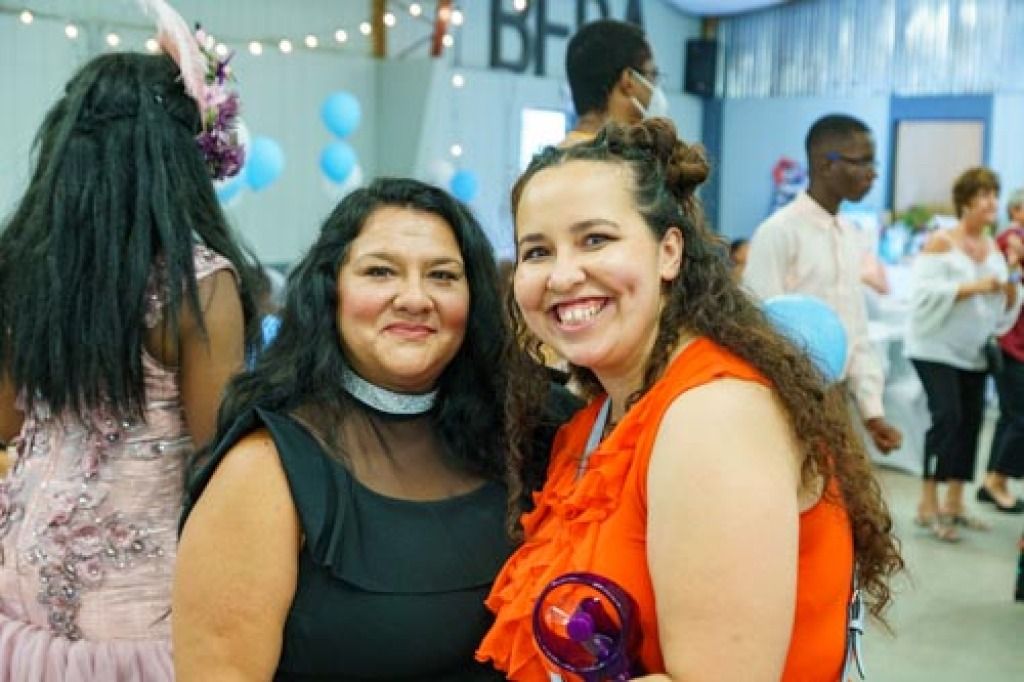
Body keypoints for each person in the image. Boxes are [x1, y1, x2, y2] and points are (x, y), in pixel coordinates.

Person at [477, 119, 902, 681]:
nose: (562, 274)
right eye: (537, 251)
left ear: (669, 252)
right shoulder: (604, 415)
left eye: (595, 239)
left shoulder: (714, 417)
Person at [173, 178, 578, 681]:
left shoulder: (532, 432)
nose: (414, 298)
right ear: (331, 291)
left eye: (442, 276)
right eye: (380, 271)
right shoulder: (264, 470)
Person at [0, 46, 258, 680]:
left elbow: (6, 422)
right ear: (177, 161)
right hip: (139, 617)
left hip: (18, 588)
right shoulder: (198, 286)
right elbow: (218, 465)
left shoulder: (26, 273)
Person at [744, 114, 903, 455]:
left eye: (873, 163)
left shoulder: (849, 234)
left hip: (835, 397)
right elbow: (757, 331)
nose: (873, 173)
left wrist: (872, 412)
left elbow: (855, 332)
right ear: (825, 164)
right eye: (862, 162)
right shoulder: (779, 232)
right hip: (788, 400)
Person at [906, 168, 1023, 541]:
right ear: (966, 201)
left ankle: (955, 502)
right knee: (948, 418)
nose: (992, 202)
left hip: (973, 351)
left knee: (971, 423)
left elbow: (1007, 298)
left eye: (995, 194)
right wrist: (975, 286)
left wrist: (1010, 287)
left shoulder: (993, 248)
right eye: (984, 194)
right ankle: (928, 503)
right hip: (934, 348)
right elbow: (922, 294)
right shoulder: (942, 242)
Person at [978, 189, 1024, 513]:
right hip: (1012, 343)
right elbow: (1008, 282)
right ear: (1016, 210)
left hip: (1015, 342)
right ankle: (996, 481)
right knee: (1019, 418)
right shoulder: (1010, 239)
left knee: (1011, 416)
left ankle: (993, 482)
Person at [561, 19, 667, 147]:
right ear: (628, 81)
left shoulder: (556, 155)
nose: (655, 88)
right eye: (653, 75)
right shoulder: (618, 158)